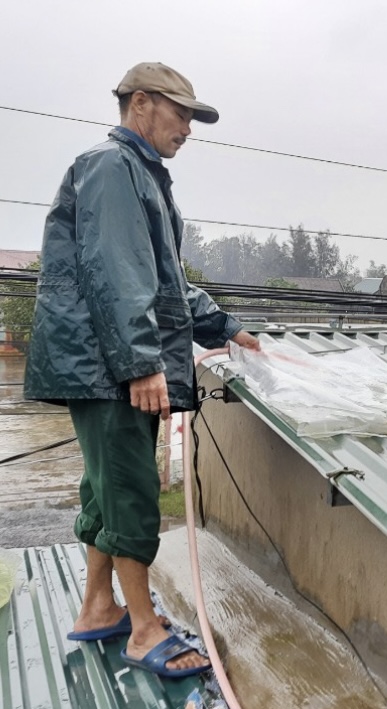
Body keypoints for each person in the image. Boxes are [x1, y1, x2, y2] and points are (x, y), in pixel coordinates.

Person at [23, 62, 260, 678]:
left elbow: (165, 280)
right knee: (130, 490)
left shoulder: (139, 174)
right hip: (111, 365)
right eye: (181, 114)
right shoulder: (114, 166)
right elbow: (117, 270)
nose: (188, 128)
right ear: (142, 105)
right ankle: (142, 630)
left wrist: (227, 327)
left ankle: (101, 606)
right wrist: (140, 364)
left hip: (105, 363)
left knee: (105, 486)